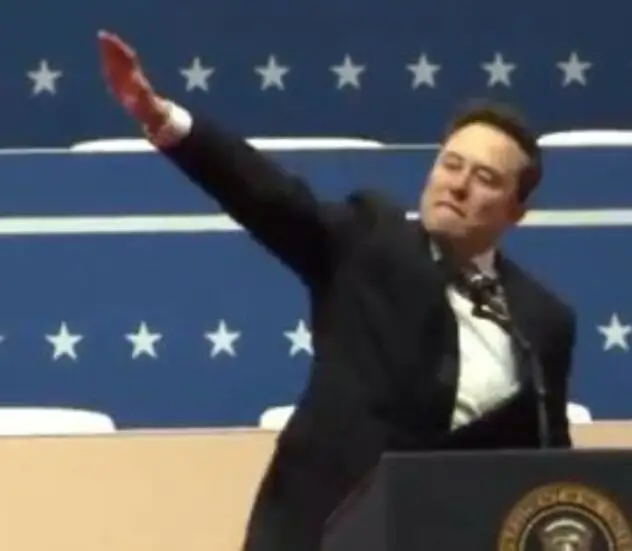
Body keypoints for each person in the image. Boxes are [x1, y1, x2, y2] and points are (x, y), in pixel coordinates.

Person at [96, 30, 578, 551]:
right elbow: (268, 196)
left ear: (516, 210)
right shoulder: (369, 241)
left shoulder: (541, 320)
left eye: (485, 178)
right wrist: (162, 119)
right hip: (323, 533)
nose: (458, 185)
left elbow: (546, 457)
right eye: (451, 164)